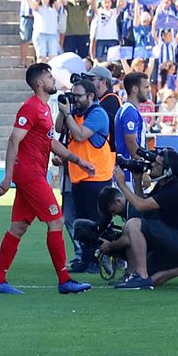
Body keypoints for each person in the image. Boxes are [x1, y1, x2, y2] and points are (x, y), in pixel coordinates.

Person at [0, 62, 93, 295]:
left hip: (33, 174)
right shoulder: (31, 107)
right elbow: (14, 139)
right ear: (39, 83)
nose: (53, 80)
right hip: (30, 175)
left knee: (18, 227)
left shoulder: (44, 108)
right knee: (56, 221)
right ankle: (64, 280)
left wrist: (77, 160)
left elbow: (50, 142)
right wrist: (8, 176)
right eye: (49, 76)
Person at [101, 148, 178, 289]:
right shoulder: (163, 186)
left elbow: (140, 205)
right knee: (149, 274)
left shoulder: (174, 189)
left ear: (168, 170)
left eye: (157, 163)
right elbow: (144, 210)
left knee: (133, 225)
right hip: (175, 241)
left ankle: (141, 275)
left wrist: (122, 185)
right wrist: (137, 181)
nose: (152, 165)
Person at [59, 76, 114, 272]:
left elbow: (80, 135)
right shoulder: (74, 112)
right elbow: (58, 128)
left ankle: (97, 260)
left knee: (95, 220)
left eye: (78, 96)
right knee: (81, 221)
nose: (75, 100)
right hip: (79, 176)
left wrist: (68, 114)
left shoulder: (97, 113)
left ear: (91, 96)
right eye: (73, 96)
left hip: (96, 176)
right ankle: (85, 259)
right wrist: (64, 111)